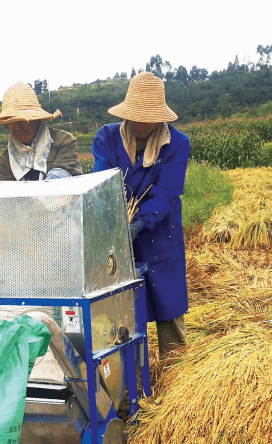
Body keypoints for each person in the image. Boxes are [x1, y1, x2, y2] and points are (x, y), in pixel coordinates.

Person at [92, 72, 190, 357]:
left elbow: (167, 192)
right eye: (136, 115)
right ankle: (130, 377)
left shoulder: (177, 143)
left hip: (161, 234)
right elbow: (104, 183)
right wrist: (118, 220)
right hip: (118, 237)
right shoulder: (107, 138)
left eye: (148, 117)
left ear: (160, 117)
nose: (141, 123)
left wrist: (140, 221)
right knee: (123, 311)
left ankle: (176, 374)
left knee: (167, 305)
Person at [0, 82, 82, 181]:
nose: (17, 127)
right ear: (7, 126)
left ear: (37, 120)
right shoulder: (4, 163)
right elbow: (13, 196)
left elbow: (63, 178)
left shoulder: (63, 142)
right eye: (12, 122)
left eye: (24, 120)